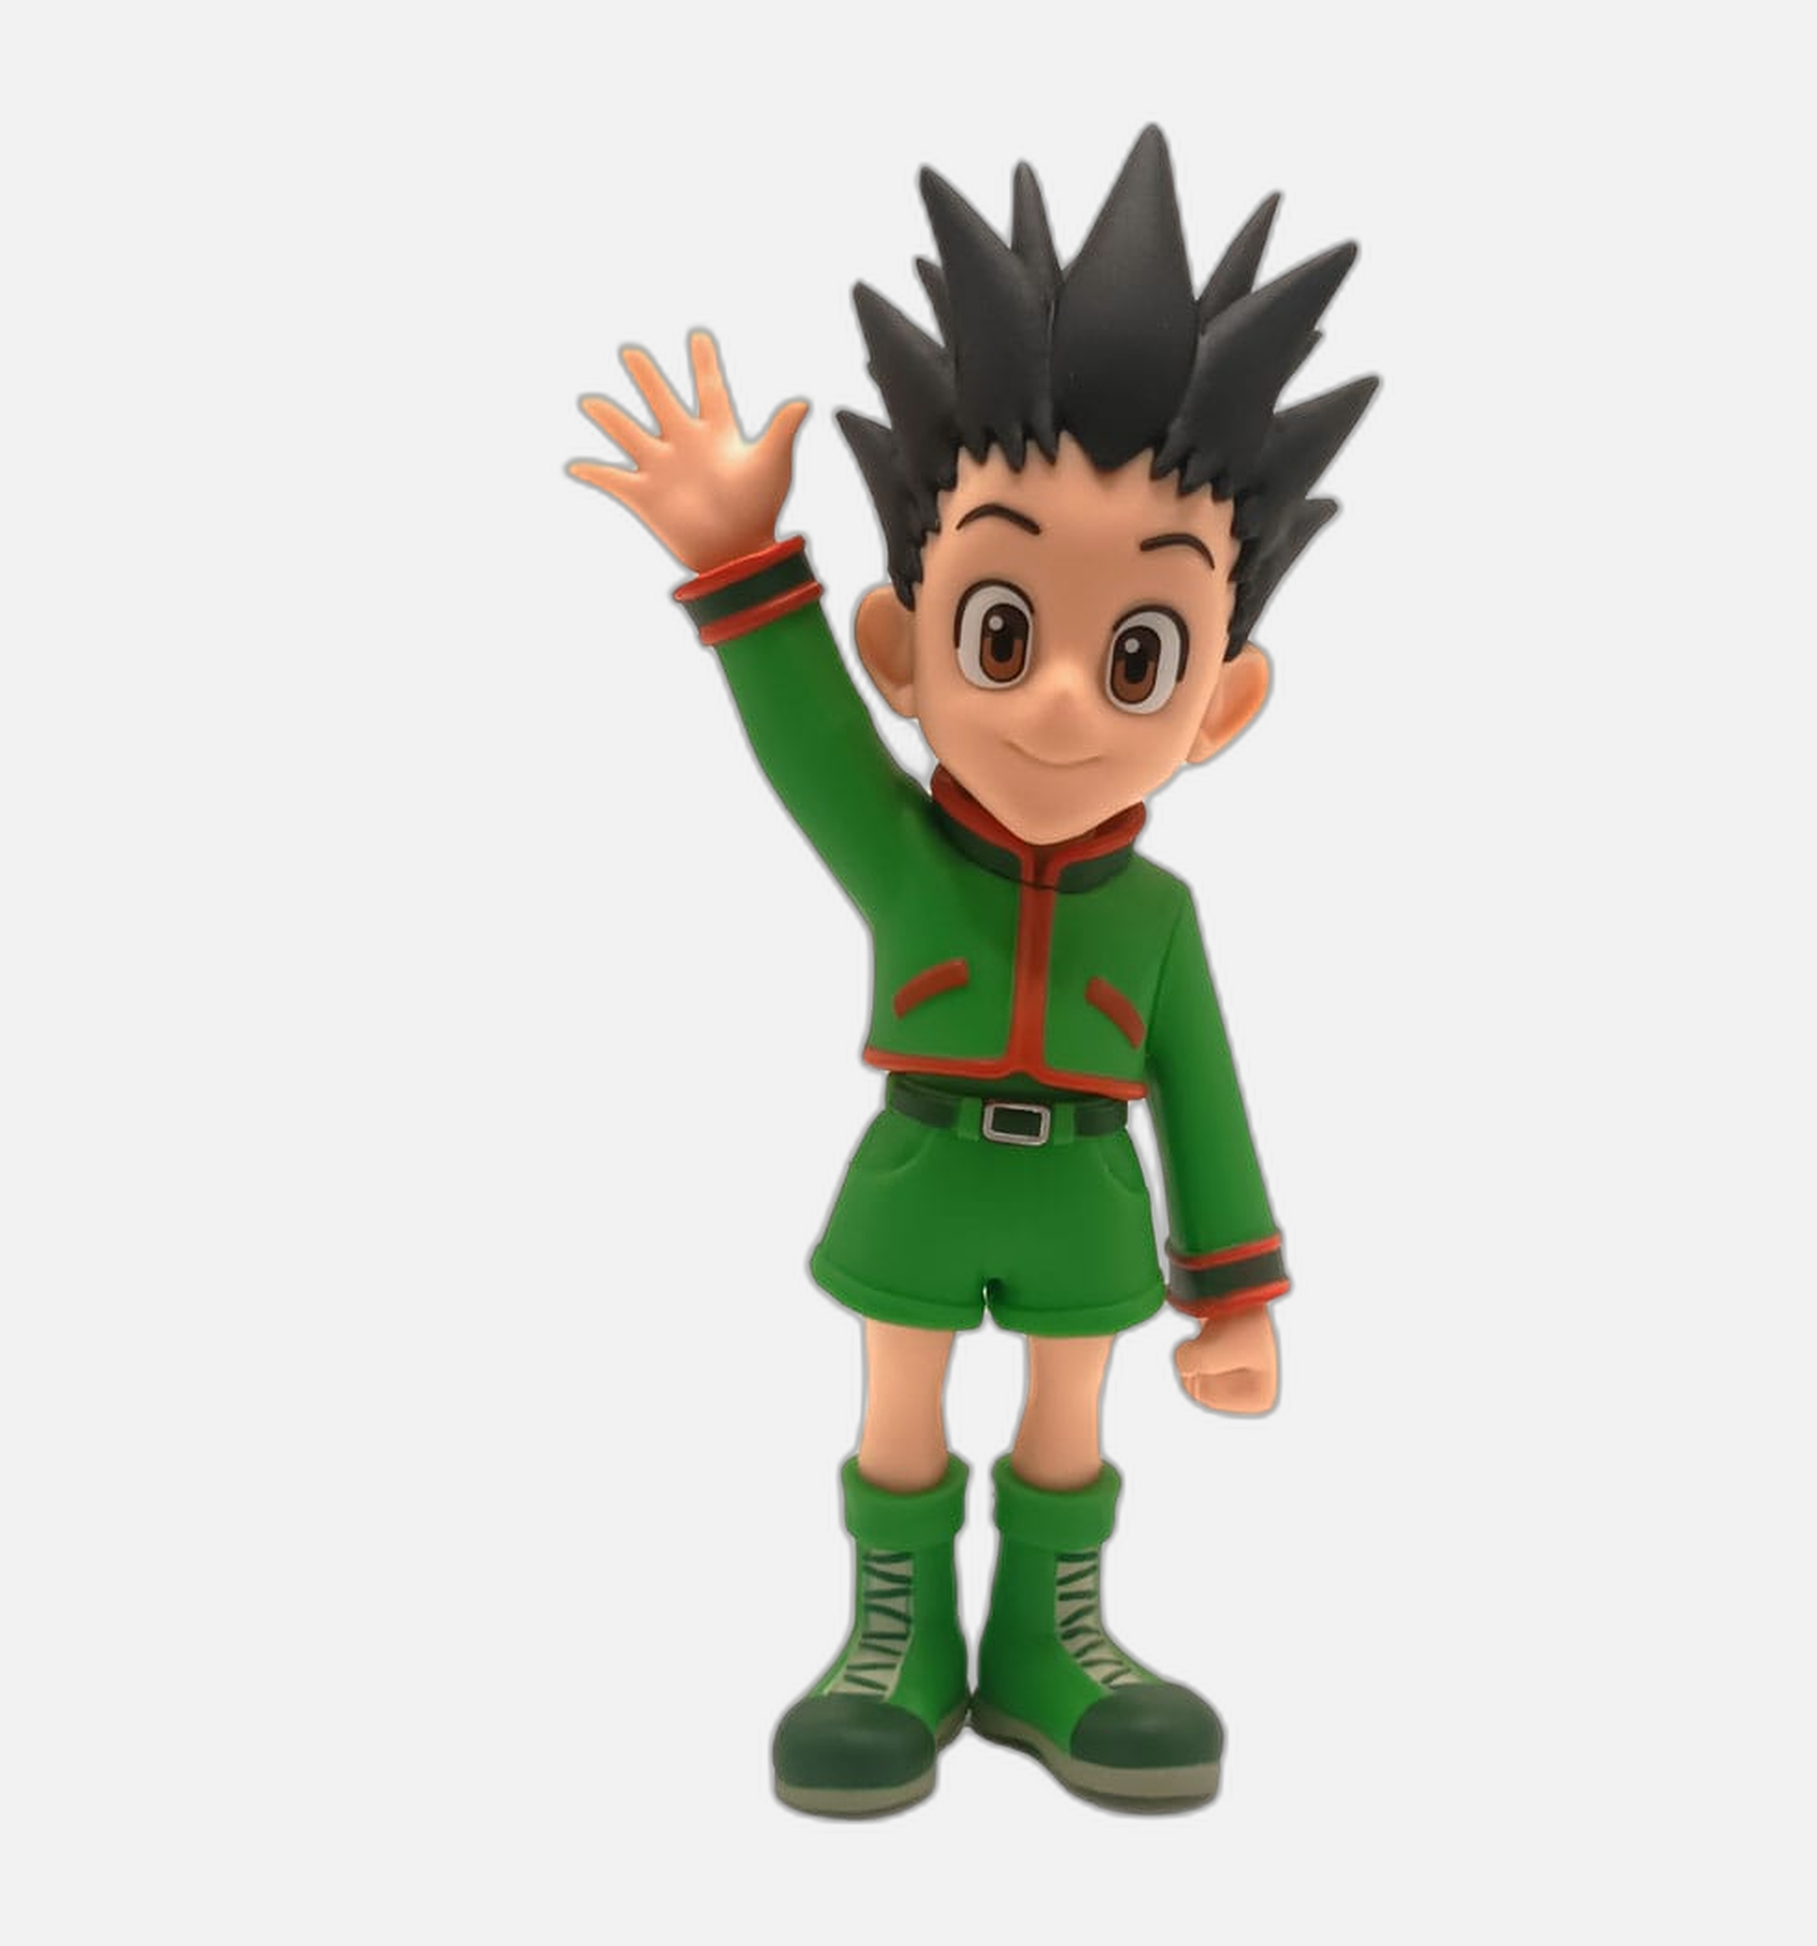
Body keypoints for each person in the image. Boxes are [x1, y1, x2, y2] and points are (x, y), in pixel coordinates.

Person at [570, 125, 1375, 1815]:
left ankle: (1047, 1637)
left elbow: (1205, 1100)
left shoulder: (1157, 920)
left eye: (1138, 650)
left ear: (1218, 704)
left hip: (1085, 1195)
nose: (1064, 700)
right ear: (902, 646)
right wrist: (735, 563)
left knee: (1068, 1419)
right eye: (1002, 631)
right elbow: (807, 746)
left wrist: (1233, 1288)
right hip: (922, 1178)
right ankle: (898, 1634)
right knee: (900, 1405)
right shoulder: (902, 857)